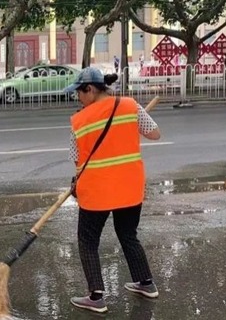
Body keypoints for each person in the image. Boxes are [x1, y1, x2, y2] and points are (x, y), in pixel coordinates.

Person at [63, 67, 161, 314]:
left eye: (79, 93)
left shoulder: (79, 121)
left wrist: (76, 182)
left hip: (97, 192)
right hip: (129, 188)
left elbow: (77, 160)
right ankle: (146, 283)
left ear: (91, 89)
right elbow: (155, 134)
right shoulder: (130, 106)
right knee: (128, 234)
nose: (78, 98)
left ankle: (96, 297)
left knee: (88, 241)